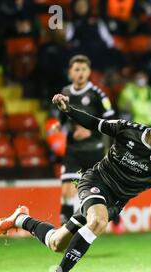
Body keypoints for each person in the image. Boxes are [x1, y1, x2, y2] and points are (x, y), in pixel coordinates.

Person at [0, 95, 151, 272]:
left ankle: (21, 219)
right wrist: (69, 110)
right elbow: (94, 123)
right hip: (96, 181)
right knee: (99, 221)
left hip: (115, 201)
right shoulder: (127, 130)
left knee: (56, 243)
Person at [56, 55, 115, 226]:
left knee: (97, 192)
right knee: (67, 190)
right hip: (73, 151)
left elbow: (111, 124)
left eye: (83, 69)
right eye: (77, 69)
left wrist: (91, 132)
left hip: (94, 151)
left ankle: (113, 215)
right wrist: (58, 126)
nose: (80, 73)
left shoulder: (98, 95)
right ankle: (64, 228)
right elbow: (62, 116)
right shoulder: (65, 93)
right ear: (70, 72)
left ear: (89, 72)